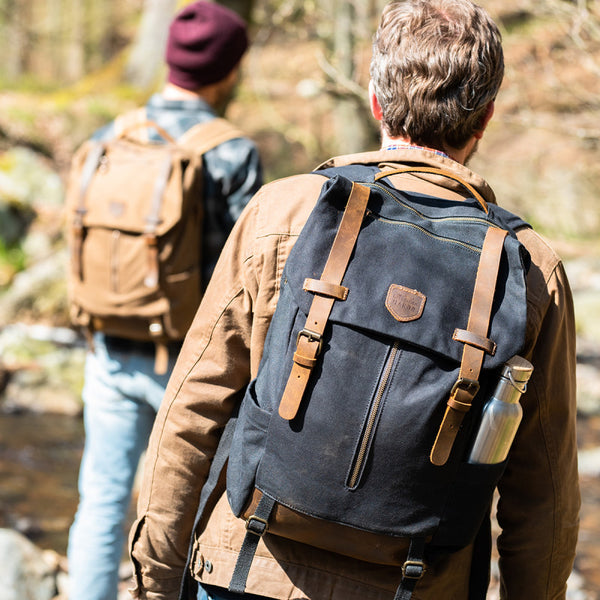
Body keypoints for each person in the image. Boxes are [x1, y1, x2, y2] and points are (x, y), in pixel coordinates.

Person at [129, 1, 580, 599]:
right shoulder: (529, 269)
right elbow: (542, 492)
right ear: (486, 117)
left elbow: (190, 411)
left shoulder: (286, 210)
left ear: (375, 101)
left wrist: (150, 586)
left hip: (246, 574)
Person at [66, 3, 262, 599]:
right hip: (190, 368)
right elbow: (251, 278)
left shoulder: (111, 135)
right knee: (190, 512)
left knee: (100, 499)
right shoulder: (231, 152)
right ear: (228, 71)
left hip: (108, 347)